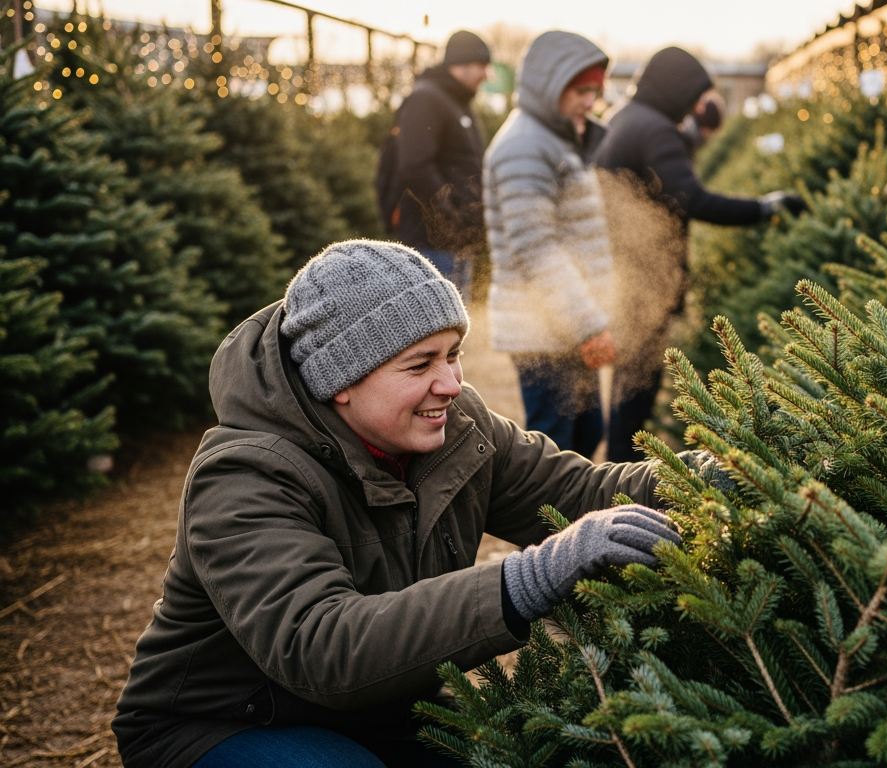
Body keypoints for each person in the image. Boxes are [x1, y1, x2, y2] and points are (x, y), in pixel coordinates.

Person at [111, 240, 684, 768]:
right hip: (221, 727)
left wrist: (720, 474)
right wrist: (529, 578)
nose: (451, 384)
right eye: (420, 364)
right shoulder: (244, 475)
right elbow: (321, 645)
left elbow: (581, 495)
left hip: (381, 711)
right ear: (342, 380)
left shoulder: (458, 429)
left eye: (453, 354)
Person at [592, 46, 804, 462]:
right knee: (636, 388)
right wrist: (766, 207)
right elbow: (693, 199)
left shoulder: (625, 117)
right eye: (693, 95)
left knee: (627, 382)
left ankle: (618, 468)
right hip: (646, 276)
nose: (695, 108)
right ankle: (620, 479)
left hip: (624, 269)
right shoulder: (655, 129)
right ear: (675, 89)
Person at [482, 31, 616, 457]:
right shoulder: (524, 145)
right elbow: (536, 249)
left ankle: (572, 522)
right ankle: (549, 526)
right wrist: (589, 324)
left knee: (587, 432)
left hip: (566, 325)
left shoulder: (557, 137)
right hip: (543, 329)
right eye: (581, 91)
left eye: (595, 91)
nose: (590, 102)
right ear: (549, 86)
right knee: (556, 449)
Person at [384, 30, 492, 288]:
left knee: (456, 320)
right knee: (439, 323)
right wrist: (450, 215)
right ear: (462, 64)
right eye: (482, 66)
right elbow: (415, 165)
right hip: (432, 245)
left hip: (455, 242)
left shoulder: (457, 101)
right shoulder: (426, 99)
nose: (485, 74)